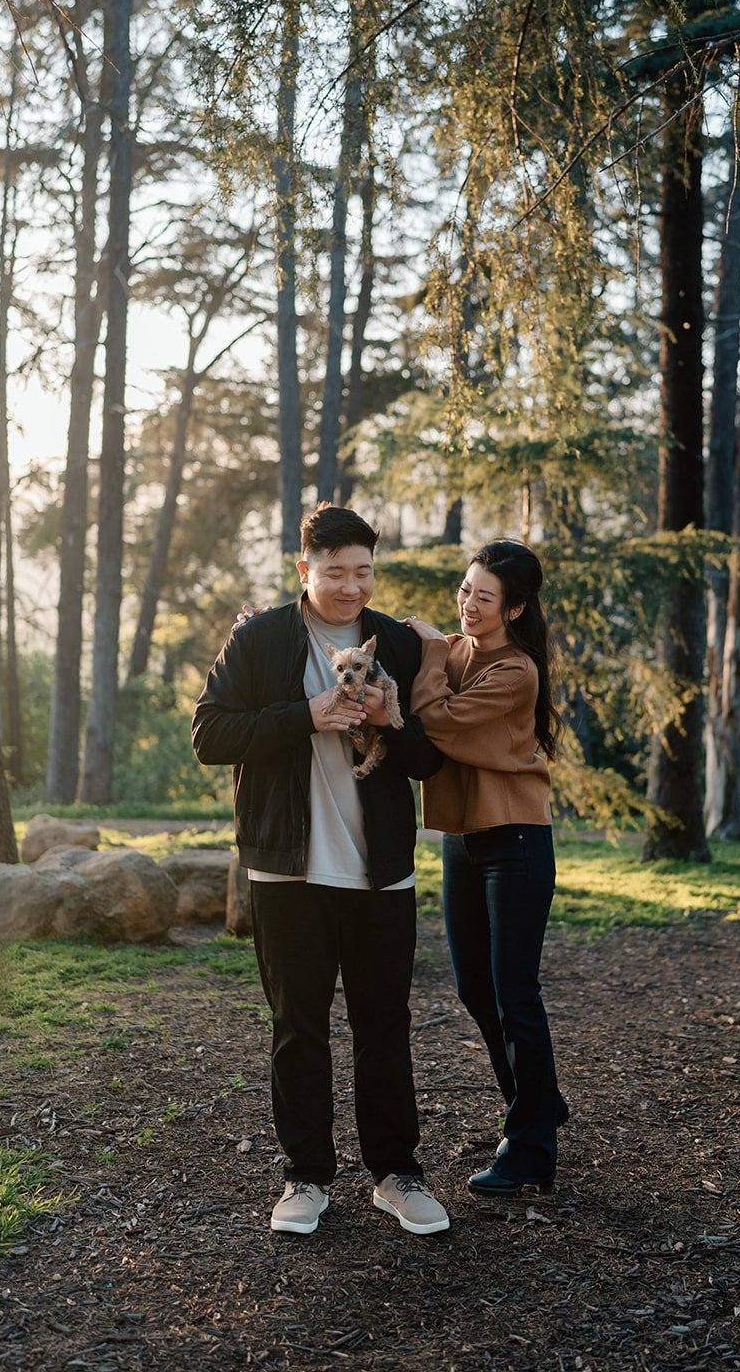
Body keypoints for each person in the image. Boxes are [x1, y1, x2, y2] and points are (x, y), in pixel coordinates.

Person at [191, 504, 450, 1237]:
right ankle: (305, 1178)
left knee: (384, 1024)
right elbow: (210, 734)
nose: (350, 585)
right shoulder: (261, 637)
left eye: (363, 571)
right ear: (304, 569)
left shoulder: (396, 641)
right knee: (297, 1026)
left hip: (381, 873)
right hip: (287, 873)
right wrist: (305, 714)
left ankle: (396, 1175)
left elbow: (430, 760)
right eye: (334, 571)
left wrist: (392, 725)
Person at [406, 539, 567, 1197]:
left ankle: (531, 1146)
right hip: (465, 838)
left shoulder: (516, 671)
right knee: (476, 990)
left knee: (514, 994)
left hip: (516, 842)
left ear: (515, 607)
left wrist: (429, 655)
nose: (468, 605)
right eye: (465, 590)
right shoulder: (456, 647)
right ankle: (535, 1107)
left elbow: (436, 720)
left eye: (484, 597)